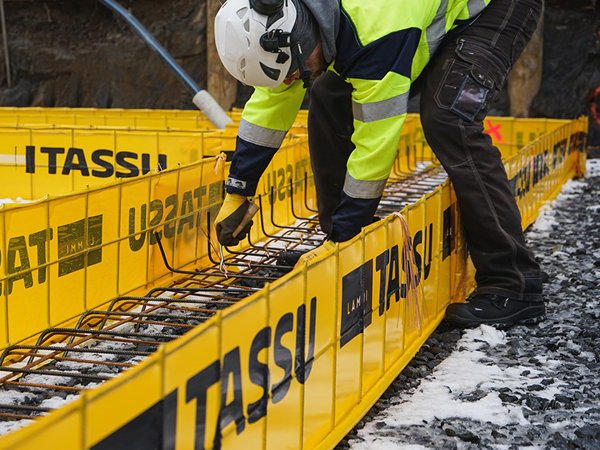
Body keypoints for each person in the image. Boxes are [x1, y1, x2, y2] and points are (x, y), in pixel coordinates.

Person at [212, 0, 545, 327]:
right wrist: (238, 189)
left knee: (449, 118)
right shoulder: (289, 19)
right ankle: (344, 248)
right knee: (328, 94)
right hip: (416, 16)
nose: (290, 81)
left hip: (495, 7)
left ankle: (512, 284)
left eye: (291, 72)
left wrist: (345, 236)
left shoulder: (377, 27)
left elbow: (375, 147)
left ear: (301, 35)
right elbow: (272, 101)